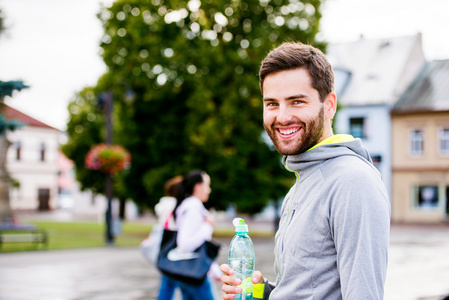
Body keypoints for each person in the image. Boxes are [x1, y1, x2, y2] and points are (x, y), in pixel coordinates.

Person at [220, 42, 391, 299]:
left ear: (329, 105)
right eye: (272, 104)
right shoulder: (303, 179)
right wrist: (262, 292)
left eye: (296, 101)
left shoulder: (353, 181)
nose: (282, 116)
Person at [158, 170, 221, 300]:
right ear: (197, 187)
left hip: (188, 272)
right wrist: (208, 226)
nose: (209, 190)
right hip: (194, 275)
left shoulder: (189, 205)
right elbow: (185, 244)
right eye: (207, 185)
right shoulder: (193, 207)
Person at [156, 176, 183, 300]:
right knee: (185, 281)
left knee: (166, 281)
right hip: (175, 246)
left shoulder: (163, 204)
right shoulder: (177, 205)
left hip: (165, 245)